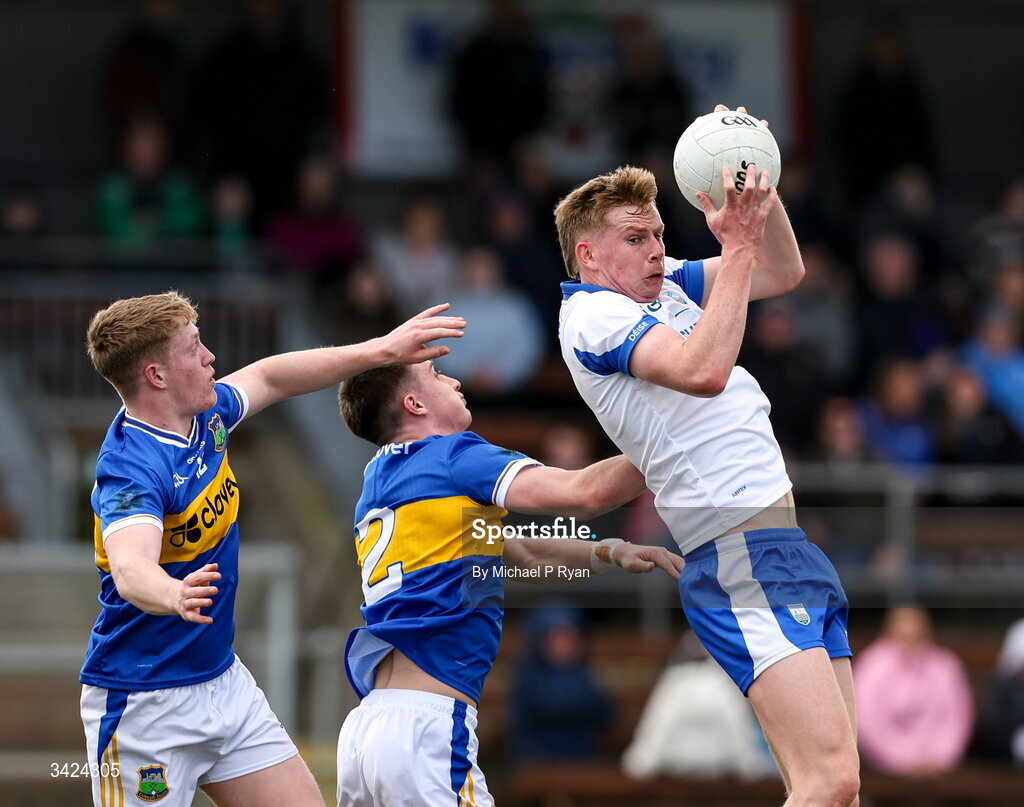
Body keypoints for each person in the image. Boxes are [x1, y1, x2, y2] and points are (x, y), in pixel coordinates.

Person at [554, 106, 859, 806]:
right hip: (737, 551)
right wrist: (740, 244)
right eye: (636, 238)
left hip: (783, 544)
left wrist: (755, 175)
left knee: (840, 785)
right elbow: (704, 370)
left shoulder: (665, 290)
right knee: (829, 781)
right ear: (589, 256)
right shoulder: (593, 313)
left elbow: (784, 268)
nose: (657, 248)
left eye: (660, 231)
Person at [80, 291, 465, 807]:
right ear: (156, 376)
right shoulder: (131, 471)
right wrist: (172, 594)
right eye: (194, 348)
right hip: (144, 706)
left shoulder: (205, 417)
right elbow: (130, 567)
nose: (210, 357)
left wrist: (381, 351)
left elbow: (270, 377)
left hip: (223, 682)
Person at [335, 359, 683, 806]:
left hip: (367, 731)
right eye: (437, 374)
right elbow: (587, 493)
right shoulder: (454, 455)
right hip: (428, 726)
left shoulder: (378, 480)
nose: (455, 379)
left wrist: (610, 552)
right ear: (414, 402)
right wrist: (682, 436)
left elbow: (524, 555)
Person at [854, 606, 974, 776]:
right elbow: (867, 722)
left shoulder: (945, 665)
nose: (910, 642)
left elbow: (957, 717)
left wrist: (941, 757)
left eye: (917, 636)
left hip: (940, 767)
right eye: (902, 637)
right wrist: (904, 760)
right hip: (881, 768)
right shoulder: (872, 666)